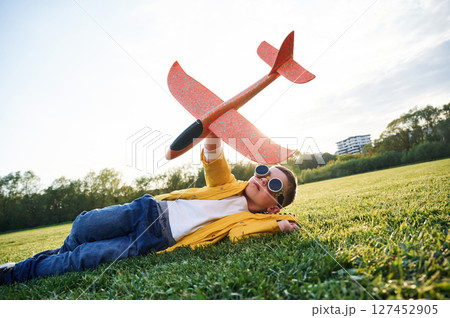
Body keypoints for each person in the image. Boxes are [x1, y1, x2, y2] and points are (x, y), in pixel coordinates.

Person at [0, 136, 299, 285]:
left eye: (273, 183)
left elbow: (240, 234)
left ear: (274, 206)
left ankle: (14, 274)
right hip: (146, 211)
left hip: (153, 241)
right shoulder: (228, 184)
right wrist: (212, 137)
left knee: (80, 259)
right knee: (82, 228)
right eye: (263, 171)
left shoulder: (248, 220)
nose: (262, 179)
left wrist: (278, 225)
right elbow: (215, 161)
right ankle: (39, 261)